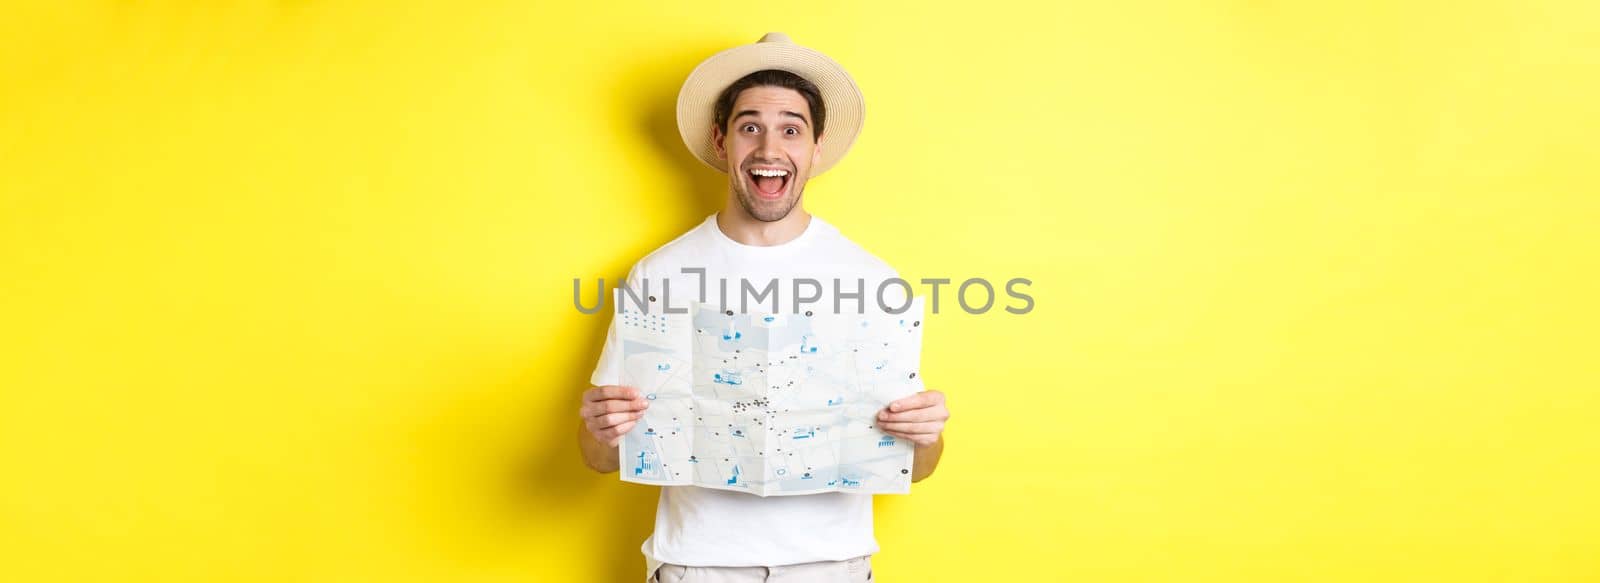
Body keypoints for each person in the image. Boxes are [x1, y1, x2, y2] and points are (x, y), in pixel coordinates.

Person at [576, 33, 951, 583]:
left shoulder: (870, 280)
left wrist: (926, 433)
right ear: (721, 140)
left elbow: (918, 469)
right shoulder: (660, 275)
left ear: (815, 148)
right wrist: (602, 428)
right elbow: (598, 456)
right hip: (698, 566)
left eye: (791, 130)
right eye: (750, 126)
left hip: (832, 567)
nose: (770, 150)